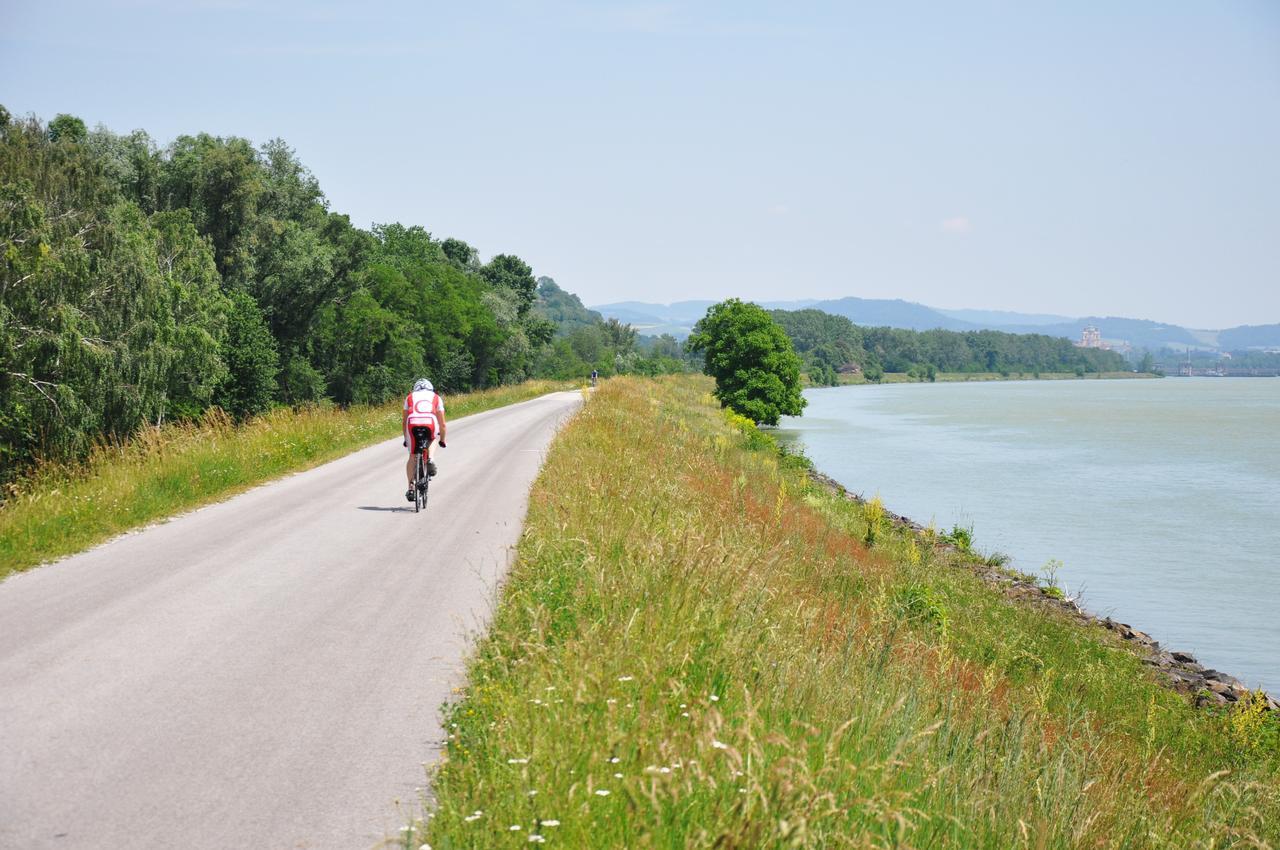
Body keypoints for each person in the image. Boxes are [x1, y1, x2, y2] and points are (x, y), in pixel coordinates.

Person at [403, 378, 447, 502]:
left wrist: (406, 438)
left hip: (412, 423)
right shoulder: (436, 397)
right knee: (433, 438)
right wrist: (442, 440)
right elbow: (442, 424)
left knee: (412, 455)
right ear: (431, 388)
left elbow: (404, 421)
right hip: (430, 422)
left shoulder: (409, 397)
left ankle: (411, 487)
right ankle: (430, 458)